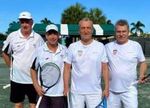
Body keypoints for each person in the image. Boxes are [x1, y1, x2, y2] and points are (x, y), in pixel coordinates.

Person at [63, 17, 109, 108]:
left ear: (92, 30)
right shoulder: (72, 47)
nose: (86, 30)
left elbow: (105, 68)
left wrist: (107, 87)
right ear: (79, 30)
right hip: (76, 92)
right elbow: (67, 68)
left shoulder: (100, 46)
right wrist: (65, 87)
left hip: (95, 92)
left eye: (88, 28)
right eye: (83, 28)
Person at [2, 11, 44, 108]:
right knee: (18, 105)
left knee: (33, 105)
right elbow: (4, 53)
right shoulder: (12, 36)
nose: (24, 24)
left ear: (31, 22)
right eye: (22, 21)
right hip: (16, 79)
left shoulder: (38, 38)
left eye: (27, 21)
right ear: (20, 23)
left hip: (33, 80)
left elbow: (42, 56)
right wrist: (11, 67)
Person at [105, 19, 147, 108]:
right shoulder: (107, 47)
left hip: (130, 89)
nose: (121, 34)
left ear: (128, 32)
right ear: (115, 32)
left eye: (124, 31)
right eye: (118, 31)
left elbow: (143, 62)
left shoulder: (136, 46)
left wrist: (141, 75)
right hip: (112, 90)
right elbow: (102, 66)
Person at [30, 24, 68, 108]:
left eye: (55, 34)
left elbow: (67, 70)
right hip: (43, 93)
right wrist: (36, 86)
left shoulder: (65, 50)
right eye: (50, 34)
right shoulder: (39, 51)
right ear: (46, 36)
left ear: (58, 35)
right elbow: (32, 69)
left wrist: (66, 87)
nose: (52, 36)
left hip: (60, 93)